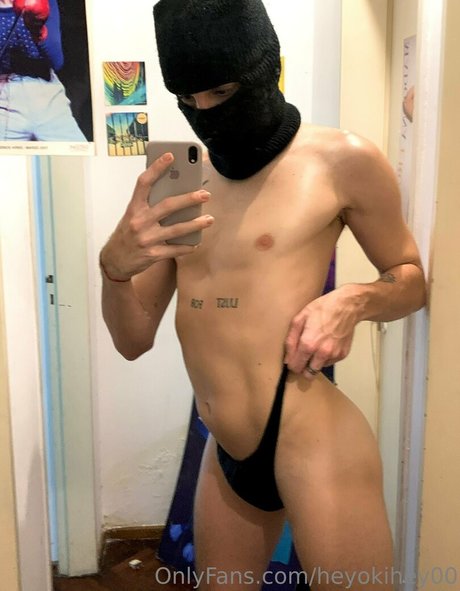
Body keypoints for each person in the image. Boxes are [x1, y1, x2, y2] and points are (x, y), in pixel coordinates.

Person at [100, 1, 427, 589]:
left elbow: (410, 278)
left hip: (311, 436)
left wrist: (351, 302)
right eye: (188, 99)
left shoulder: (342, 159)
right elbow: (132, 340)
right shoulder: (180, 178)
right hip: (224, 446)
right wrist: (113, 270)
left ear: (264, 68)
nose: (206, 112)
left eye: (222, 92)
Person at [0, 0, 86, 141]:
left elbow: (57, 62)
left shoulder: (46, 1)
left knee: (78, 153)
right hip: (4, 98)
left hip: (46, 93)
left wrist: (38, 29)